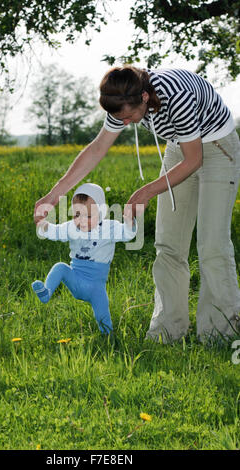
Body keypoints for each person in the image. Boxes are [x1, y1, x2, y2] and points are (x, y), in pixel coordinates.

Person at [34, 65, 240, 344]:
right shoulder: (123, 101)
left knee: (212, 245)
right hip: (180, 146)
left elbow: (194, 161)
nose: (127, 123)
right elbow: (96, 149)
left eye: (130, 116)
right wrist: (53, 195)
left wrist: (146, 192)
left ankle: (220, 334)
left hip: (217, 148)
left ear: (144, 97)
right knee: (168, 244)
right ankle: (168, 331)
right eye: (122, 118)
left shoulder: (175, 95)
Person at [32, 183, 137, 334]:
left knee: (102, 311)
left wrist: (129, 223)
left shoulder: (109, 228)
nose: (82, 220)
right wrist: (43, 225)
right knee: (60, 267)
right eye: (77, 215)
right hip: (75, 278)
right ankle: (46, 293)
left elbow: (127, 234)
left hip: (95, 287)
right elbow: (55, 231)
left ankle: (108, 336)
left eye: (88, 216)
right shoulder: (72, 227)